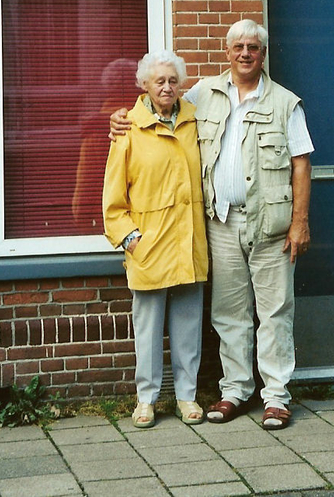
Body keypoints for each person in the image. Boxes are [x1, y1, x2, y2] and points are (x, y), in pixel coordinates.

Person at [110, 20, 313, 430]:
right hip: (220, 225)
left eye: (252, 47)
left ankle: (275, 397)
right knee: (228, 313)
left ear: (263, 53)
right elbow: (154, 106)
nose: (244, 53)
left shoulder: (286, 103)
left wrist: (300, 223)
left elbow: (301, 163)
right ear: (226, 51)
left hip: (269, 226)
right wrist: (121, 117)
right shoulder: (205, 93)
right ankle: (236, 391)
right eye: (237, 46)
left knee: (274, 312)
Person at [103, 50, 208, 429]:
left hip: (188, 241)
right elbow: (113, 200)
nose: (166, 87)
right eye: (158, 81)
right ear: (144, 85)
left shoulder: (196, 121)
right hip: (148, 246)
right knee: (147, 329)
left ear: (181, 85)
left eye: (172, 80)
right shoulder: (128, 127)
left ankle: (187, 397)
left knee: (188, 324)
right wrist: (131, 240)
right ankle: (145, 400)